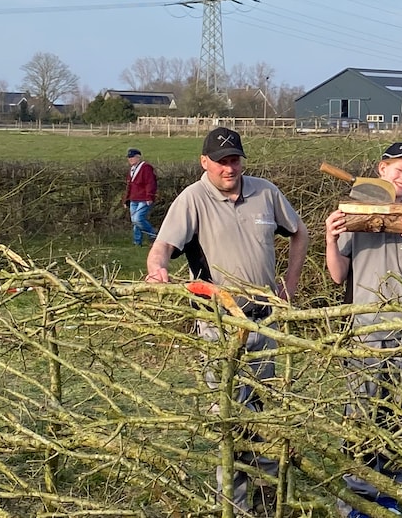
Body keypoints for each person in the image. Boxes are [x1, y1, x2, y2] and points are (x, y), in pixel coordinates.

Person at [145, 126, 309, 514]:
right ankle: (232, 505)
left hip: (265, 322)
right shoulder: (192, 200)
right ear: (205, 162)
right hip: (218, 326)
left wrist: (291, 282)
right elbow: (162, 249)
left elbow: (299, 233)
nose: (229, 168)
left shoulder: (265, 193)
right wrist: (157, 270)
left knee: (267, 414)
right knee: (229, 420)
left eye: (234, 159)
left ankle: (269, 496)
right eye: (221, 161)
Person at [325, 142, 402, 518]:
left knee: (397, 413)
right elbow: (338, 274)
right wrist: (329, 237)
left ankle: (390, 491)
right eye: (398, 170)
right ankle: (356, 499)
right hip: (365, 331)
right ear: (381, 170)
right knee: (360, 414)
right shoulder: (355, 212)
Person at [123, 148, 158, 246]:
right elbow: (129, 185)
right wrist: (126, 199)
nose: (130, 159)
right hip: (134, 199)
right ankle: (137, 242)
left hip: (144, 199)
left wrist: (149, 196)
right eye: (129, 158)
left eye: (132, 157)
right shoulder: (132, 170)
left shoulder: (146, 168)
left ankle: (153, 234)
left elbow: (150, 183)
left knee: (137, 219)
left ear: (138, 157)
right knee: (135, 222)